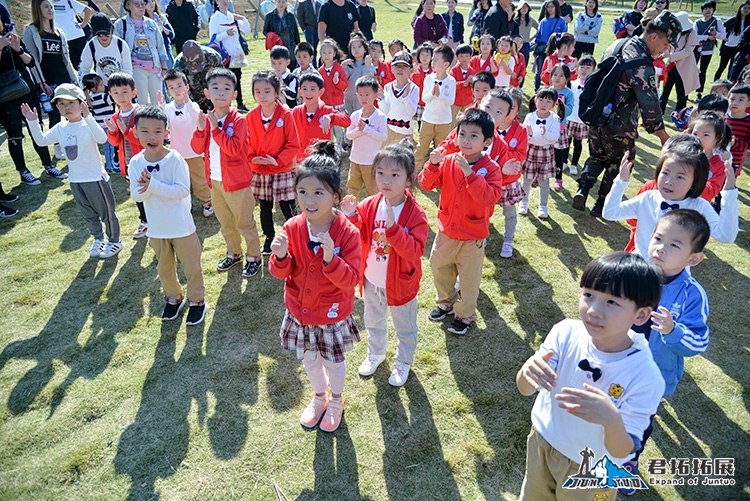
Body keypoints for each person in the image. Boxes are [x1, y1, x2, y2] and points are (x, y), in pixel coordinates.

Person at [516, 251, 664, 501]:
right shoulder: (564, 333)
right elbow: (525, 389)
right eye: (588, 295)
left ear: (640, 315)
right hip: (542, 441)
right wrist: (527, 370)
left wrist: (612, 420)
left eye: (612, 302)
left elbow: (623, 451)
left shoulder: (645, 376)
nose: (594, 310)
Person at [269, 141, 361, 433]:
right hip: (300, 311)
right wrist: (280, 256)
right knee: (309, 359)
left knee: (333, 361)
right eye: (302, 192)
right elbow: (280, 271)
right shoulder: (293, 226)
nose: (309, 200)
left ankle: (336, 399)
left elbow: (352, 279)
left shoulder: (348, 232)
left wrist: (331, 257)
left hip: (331, 312)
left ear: (336, 196)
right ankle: (319, 396)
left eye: (318, 193)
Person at [620, 209, 711, 494]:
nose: (661, 247)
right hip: (618, 365)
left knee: (637, 420)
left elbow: (700, 341)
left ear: (693, 258)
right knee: (609, 408)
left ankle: (627, 463)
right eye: (658, 238)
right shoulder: (634, 274)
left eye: (675, 244)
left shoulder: (692, 294)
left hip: (654, 376)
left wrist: (674, 331)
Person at [572, 11, 678, 217]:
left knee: (596, 155)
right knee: (619, 161)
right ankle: (601, 205)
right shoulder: (642, 63)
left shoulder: (618, 44)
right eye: (666, 44)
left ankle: (583, 189)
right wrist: (664, 136)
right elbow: (650, 104)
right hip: (620, 125)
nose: (666, 50)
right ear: (654, 37)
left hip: (597, 115)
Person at [341, 143, 428, 386]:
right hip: (372, 279)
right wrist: (351, 216)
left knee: (405, 326)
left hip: (401, 283)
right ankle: (376, 353)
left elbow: (415, 251)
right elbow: (359, 235)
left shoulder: (415, 214)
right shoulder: (370, 204)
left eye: (394, 175)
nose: (386, 180)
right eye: (380, 173)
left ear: (409, 180)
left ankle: (403, 361)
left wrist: (393, 229)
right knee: (373, 321)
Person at [419, 109, 503, 336]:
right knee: (439, 266)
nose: (465, 140)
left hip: (473, 235)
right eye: (462, 134)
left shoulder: (491, 168)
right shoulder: (448, 161)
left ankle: (465, 314)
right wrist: (433, 164)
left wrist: (471, 175)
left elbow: (490, 197)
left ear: (487, 141)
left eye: (473, 136)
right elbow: (426, 184)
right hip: (447, 230)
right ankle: (446, 302)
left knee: (468, 278)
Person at [126, 104, 206, 325]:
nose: (152, 136)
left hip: (181, 226)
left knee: (192, 267)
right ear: (135, 133)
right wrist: (146, 188)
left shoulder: (175, 159)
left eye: (157, 131)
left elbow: (181, 191)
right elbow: (137, 195)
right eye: (145, 131)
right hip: (157, 228)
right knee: (164, 269)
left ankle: (197, 301)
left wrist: (153, 185)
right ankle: (173, 298)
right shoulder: (136, 162)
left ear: (166, 132)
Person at [23, 84, 122, 259]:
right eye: (61, 104)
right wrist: (32, 121)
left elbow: (102, 138)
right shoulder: (61, 128)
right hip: (76, 180)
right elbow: (41, 141)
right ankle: (98, 239)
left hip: (95, 178)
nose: (66, 108)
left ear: (81, 103)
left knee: (106, 212)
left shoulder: (87, 124)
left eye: (70, 103)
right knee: (88, 214)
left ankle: (114, 241)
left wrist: (89, 117)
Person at [603, 139, 738, 257]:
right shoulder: (648, 198)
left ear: (695, 181)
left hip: (674, 276)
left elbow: (725, 236)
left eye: (680, 177)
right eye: (665, 173)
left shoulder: (699, 207)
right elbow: (610, 213)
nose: (669, 181)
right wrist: (620, 183)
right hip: (640, 268)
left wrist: (729, 196)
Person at [190, 68, 262, 276]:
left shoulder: (238, 120)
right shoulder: (207, 118)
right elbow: (196, 148)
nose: (221, 92)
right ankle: (234, 253)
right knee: (225, 222)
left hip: (237, 183)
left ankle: (254, 256)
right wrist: (201, 129)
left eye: (226, 88)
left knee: (244, 222)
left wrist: (215, 129)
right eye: (215, 88)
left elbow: (233, 149)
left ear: (234, 94)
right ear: (207, 93)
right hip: (215, 181)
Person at [0, 11, 61, 186]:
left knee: (36, 128)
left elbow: (30, 62)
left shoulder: (12, 36)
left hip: (26, 89)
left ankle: (48, 165)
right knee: (15, 135)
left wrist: (17, 49)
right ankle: (23, 171)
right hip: (6, 95)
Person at [246, 70, 300, 257]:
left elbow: (294, 144)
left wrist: (277, 160)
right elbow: (247, 142)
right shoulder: (251, 116)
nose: (262, 95)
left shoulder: (285, 114)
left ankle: (296, 234)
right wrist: (252, 157)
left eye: (267, 91)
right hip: (261, 170)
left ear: (277, 92)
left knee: (287, 205)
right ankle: (269, 237)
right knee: (265, 206)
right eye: (258, 91)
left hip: (282, 168)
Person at [25, 0, 79, 150]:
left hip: (63, 76)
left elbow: (66, 59)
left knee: (71, 111)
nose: (50, 10)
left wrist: (73, 80)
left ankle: (72, 142)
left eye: (52, 7)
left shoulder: (59, 32)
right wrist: (41, 82)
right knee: (54, 113)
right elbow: (33, 60)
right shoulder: (31, 31)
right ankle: (58, 147)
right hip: (47, 78)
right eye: (46, 7)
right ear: (38, 9)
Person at [161, 69, 213, 217]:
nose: (176, 90)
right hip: (177, 151)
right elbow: (164, 125)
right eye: (171, 87)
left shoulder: (193, 105)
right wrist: (161, 108)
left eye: (179, 86)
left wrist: (187, 102)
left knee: (199, 179)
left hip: (194, 151)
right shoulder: (168, 108)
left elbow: (197, 119)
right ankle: (184, 204)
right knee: (180, 180)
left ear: (187, 87)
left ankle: (207, 202)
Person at [105, 72, 149, 238]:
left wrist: (127, 132)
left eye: (124, 91)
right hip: (128, 162)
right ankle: (144, 220)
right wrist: (113, 131)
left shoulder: (141, 113)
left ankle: (154, 218)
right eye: (115, 93)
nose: (120, 96)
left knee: (149, 190)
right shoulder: (116, 116)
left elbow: (144, 139)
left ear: (134, 92)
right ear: (110, 95)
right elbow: (116, 142)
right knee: (137, 192)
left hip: (144, 161)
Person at [115, 0, 169, 105]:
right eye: (136, 4)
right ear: (128, 6)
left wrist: (164, 67)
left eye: (143, 4)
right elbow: (117, 47)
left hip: (155, 68)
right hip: (136, 68)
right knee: (141, 103)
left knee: (159, 103)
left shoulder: (152, 23)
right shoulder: (121, 24)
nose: (141, 7)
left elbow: (160, 47)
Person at [292, 72, 351, 161]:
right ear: (300, 91)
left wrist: (331, 117)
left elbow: (347, 121)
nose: (308, 93)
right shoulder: (296, 111)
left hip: (321, 161)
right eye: (305, 89)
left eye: (312, 89)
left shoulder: (327, 111)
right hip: (301, 161)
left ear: (321, 91)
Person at [495, 88, 526, 258]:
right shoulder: (490, 126)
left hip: (509, 181)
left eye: (512, 108)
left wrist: (501, 158)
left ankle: (508, 240)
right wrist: (501, 162)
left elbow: (520, 155)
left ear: (518, 111)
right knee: (484, 210)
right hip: (489, 179)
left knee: (510, 213)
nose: (507, 113)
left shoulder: (520, 130)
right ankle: (481, 235)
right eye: (504, 108)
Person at [520, 87, 560, 219]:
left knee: (544, 181)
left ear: (554, 104)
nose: (544, 104)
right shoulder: (529, 116)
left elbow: (555, 137)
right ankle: (523, 202)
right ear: (536, 100)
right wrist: (530, 134)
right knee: (527, 179)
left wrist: (545, 134)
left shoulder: (555, 118)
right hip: (531, 150)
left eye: (548, 101)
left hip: (546, 151)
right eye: (541, 100)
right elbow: (524, 135)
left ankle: (543, 206)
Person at [345, 76, 388, 197]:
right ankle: (351, 210)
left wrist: (367, 129)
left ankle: (372, 212)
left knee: (373, 190)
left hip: (371, 161)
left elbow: (383, 137)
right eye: (360, 94)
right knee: (352, 188)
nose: (363, 98)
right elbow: (348, 135)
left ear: (375, 95)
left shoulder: (380, 116)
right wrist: (359, 130)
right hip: (355, 159)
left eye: (367, 94)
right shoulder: (355, 115)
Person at [415, 45, 456, 168]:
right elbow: (424, 99)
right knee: (422, 146)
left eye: (436, 60)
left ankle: (441, 171)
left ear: (445, 64)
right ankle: (416, 170)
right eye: (433, 59)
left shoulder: (451, 81)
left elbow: (450, 101)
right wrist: (432, 93)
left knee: (442, 148)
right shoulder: (428, 79)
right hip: (428, 119)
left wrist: (440, 94)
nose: (432, 62)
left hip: (444, 121)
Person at [209, 0, 250, 110]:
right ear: (216, 2)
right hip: (224, 57)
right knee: (225, 81)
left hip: (236, 56)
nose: (225, 2)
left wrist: (242, 18)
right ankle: (227, 105)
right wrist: (225, 34)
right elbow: (213, 40)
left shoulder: (232, 16)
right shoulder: (215, 18)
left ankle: (240, 104)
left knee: (237, 80)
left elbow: (247, 30)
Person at [659, 11, 698, 114]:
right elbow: (668, 45)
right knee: (665, 90)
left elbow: (688, 51)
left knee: (682, 93)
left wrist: (670, 55)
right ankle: (658, 114)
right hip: (671, 65)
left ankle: (679, 115)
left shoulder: (692, 33)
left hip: (685, 66)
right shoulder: (673, 31)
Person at [79, 13, 133, 86]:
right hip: (101, 86)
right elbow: (84, 69)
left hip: (120, 85)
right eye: (99, 35)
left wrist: (125, 87)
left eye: (107, 34)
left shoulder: (121, 45)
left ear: (112, 29)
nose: (104, 37)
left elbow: (127, 70)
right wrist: (86, 88)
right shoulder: (91, 45)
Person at [379, 51, 419, 145]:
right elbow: (385, 110)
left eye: (404, 66)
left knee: (402, 158)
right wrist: (381, 98)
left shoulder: (414, 88)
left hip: (405, 131)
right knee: (385, 156)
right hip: (388, 129)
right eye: (397, 66)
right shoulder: (388, 87)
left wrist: (406, 97)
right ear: (392, 69)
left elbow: (411, 112)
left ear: (411, 69)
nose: (400, 69)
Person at [173, 40, 224, 112]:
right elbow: (181, 88)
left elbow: (223, 79)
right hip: (195, 96)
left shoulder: (213, 56)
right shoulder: (178, 65)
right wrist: (190, 106)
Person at [565, 54, 595, 176]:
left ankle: (574, 164)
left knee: (578, 143)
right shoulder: (571, 84)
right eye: (581, 66)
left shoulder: (593, 87)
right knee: (566, 141)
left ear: (593, 70)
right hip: (569, 118)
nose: (584, 70)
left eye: (588, 67)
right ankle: (563, 161)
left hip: (581, 120)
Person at [82, 73, 118, 174]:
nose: (104, 87)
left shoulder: (90, 98)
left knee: (107, 147)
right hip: (107, 126)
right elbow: (115, 100)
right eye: (102, 85)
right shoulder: (104, 96)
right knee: (110, 146)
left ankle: (110, 163)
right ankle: (110, 166)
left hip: (100, 126)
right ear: (93, 88)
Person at [317, 38, 348, 147]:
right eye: (324, 53)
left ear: (334, 53)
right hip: (326, 104)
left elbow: (345, 85)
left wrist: (338, 82)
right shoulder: (320, 71)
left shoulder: (338, 68)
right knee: (327, 127)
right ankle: (330, 147)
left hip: (337, 102)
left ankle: (339, 147)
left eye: (329, 53)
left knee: (338, 127)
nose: (326, 55)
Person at [532, 0, 566, 91]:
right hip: (543, 48)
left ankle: (553, 88)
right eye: (548, 7)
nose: (550, 9)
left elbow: (564, 35)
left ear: (556, 7)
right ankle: (537, 89)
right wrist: (536, 46)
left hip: (555, 49)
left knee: (554, 69)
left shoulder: (561, 21)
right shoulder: (543, 21)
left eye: (552, 6)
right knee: (540, 70)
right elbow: (538, 35)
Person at [50, 0, 94, 69]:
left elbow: (87, 10)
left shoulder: (69, 1)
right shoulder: (47, 3)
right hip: (63, 40)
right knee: (74, 65)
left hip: (78, 36)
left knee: (86, 62)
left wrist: (83, 24)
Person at [549, 64, 573, 192]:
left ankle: (558, 178)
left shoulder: (568, 93)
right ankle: (538, 174)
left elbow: (569, 112)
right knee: (543, 152)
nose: (557, 78)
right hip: (546, 126)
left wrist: (561, 104)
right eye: (555, 75)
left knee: (558, 155)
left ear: (567, 79)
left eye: (561, 75)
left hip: (560, 128)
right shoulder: (548, 90)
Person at [714, 1, 749, 81]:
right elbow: (720, 28)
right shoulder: (733, 20)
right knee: (722, 67)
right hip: (728, 46)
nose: (746, 10)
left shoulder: (748, 22)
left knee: (732, 67)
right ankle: (715, 82)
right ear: (740, 8)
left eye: (748, 8)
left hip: (738, 48)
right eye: (744, 8)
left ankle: (729, 84)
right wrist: (724, 37)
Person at [342, 32, 375, 115]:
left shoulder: (368, 63)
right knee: (349, 120)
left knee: (360, 118)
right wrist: (342, 67)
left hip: (361, 97)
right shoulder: (349, 64)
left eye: (359, 47)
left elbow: (368, 79)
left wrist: (367, 66)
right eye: (353, 47)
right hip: (348, 97)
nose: (356, 50)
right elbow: (343, 79)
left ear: (365, 49)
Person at [264, 0, 300, 71]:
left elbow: (296, 32)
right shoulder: (269, 16)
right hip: (277, 47)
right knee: (279, 69)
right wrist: (274, 37)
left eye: (283, 2)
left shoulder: (291, 16)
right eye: (279, 1)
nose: (281, 4)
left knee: (292, 69)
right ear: (275, 2)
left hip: (290, 47)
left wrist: (298, 46)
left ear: (286, 3)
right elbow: (265, 31)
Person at [725, 83, 750, 177]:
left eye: (740, 100)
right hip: (718, 158)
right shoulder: (723, 118)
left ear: (748, 103)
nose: (735, 102)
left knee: (727, 185)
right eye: (732, 99)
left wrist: (736, 143)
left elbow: (748, 144)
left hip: (734, 160)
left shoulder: (748, 121)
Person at [145, 0, 174, 69]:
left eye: (152, 1)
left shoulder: (161, 17)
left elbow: (171, 34)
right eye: (148, 2)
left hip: (165, 51)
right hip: (150, 54)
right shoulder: (143, 21)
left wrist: (162, 26)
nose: (151, 4)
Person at [450, 44, 474, 126]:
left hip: (468, 101)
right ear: (457, 57)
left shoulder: (472, 71)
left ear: (471, 57)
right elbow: (451, 84)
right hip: (455, 101)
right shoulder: (454, 70)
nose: (464, 58)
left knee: (467, 122)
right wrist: (464, 83)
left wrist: (472, 82)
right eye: (461, 56)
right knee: (453, 123)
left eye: (466, 56)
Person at [514, 0, 538, 67]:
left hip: (525, 44)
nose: (524, 9)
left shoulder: (530, 19)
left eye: (526, 7)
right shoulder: (515, 19)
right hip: (515, 45)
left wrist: (531, 38)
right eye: (522, 7)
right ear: (519, 8)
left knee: (523, 65)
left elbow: (539, 28)